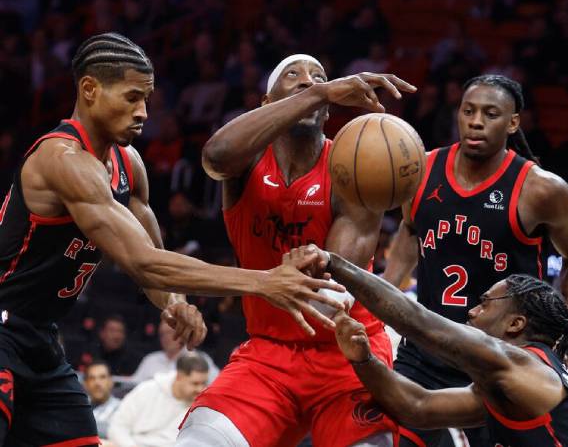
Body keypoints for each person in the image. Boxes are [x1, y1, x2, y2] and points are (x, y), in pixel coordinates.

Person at [0, 33, 344, 446]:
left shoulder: (129, 163)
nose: (143, 112)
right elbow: (143, 262)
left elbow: (155, 263)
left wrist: (175, 303)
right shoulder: (62, 159)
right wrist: (264, 281)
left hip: (38, 337)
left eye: (146, 98)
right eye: (131, 98)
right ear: (89, 90)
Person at [177, 54, 417, 447]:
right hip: (268, 353)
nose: (307, 82)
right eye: (294, 76)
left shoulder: (353, 168)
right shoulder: (246, 160)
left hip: (347, 350)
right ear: (268, 105)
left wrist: (300, 277)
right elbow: (215, 156)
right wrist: (321, 91)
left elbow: (327, 302)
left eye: (318, 77)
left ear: (326, 113)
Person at [383, 74, 568, 445]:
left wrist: (560, 337)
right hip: (425, 349)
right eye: (468, 111)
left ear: (513, 123)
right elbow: (409, 232)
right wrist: (384, 292)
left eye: (490, 114)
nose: (476, 121)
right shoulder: (422, 170)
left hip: (497, 358)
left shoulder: (542, 189)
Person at [288, 245, 568, 446]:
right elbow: (417, 407)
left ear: (515, 324)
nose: (472, 311)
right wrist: (364, 360)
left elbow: (418, 322)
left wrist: (334, 262)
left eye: (486, 303)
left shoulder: (520, 365)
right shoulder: (516, 384)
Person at [109, 352, 209, 447]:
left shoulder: (203, 406)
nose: (200, 389)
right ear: (179, 377)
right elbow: (117, 426)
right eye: (195, 383)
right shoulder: (147, 390)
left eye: (204, 383)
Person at [133, 320, 219, 383]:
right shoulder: (151, 359)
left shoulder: (199, 358)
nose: (165, 338)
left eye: (169, 333)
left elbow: (217, 384)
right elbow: (133, 384)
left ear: (182, 335)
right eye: (162, 334)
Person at [83, 360, 121, 441]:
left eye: (102, 377)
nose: (97, 383)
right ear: (85, 384)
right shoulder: (78, 406)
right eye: (92, 378)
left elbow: (117, 432)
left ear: (111, 382)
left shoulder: (122, 408)